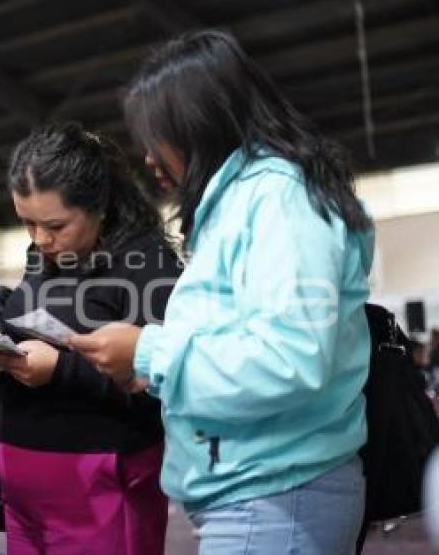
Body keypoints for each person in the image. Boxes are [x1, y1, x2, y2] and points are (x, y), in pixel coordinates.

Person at [69, 30, 374, 554]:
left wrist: (150, 353)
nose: (148, 157)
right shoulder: (240, 205)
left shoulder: (278, 199)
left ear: (198, 126)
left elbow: (291, 360)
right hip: (261, 492)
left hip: (277, 495)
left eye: (156, 138)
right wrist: (154, 369)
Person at [0, 122, 182, 554]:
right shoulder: (42, 255)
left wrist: (60, 370)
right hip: (21, 485)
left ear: (99, 206)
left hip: (99, 487)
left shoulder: (147, 265)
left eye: (56, 225)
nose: (40, 239)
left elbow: (168, 385)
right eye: (27, 223)